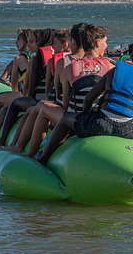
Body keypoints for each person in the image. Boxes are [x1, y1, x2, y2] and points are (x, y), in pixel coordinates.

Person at [36, 35, 133, 165]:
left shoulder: (116, 70)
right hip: (128, 130)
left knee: (65, 119)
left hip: (101, 125)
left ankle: (43, 159)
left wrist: (84, 118)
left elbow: (88, 99)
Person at [9, 24, 112, 157]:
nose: (106, 45)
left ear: (73, 42)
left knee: (41, 107)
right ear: (97, 43)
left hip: (76, 119)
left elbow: (64, 103)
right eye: (105, 42)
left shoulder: (69, 68)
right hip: (100, 118)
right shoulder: (110, 66)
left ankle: (28, 152)